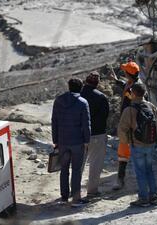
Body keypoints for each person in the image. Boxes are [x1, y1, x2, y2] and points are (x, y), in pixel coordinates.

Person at [117, 83, 157, 207]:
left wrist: (126, 142)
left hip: (137, 145)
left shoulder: (129, 110)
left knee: (140, 172)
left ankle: (143, 199)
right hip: (150, 144)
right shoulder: (151, 106)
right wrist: (155, 138)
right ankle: (154, 196)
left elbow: (122, 129)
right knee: (149, 170)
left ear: (133, 94)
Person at [51, 78, 91, 207]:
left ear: (69, 87)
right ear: (80, 88)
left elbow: (54, 121)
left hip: (62, 142)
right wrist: (87, 140)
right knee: (76, 170)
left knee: (64, 169)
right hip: (77, 142)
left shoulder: (58, 100)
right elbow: (86, 124)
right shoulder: (83, 102)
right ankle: (76, 198)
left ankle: (64, 197)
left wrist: (55, 140)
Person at [111, 60, 143, 190]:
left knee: (125, 152)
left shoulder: (133, 89)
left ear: (129, 74)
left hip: (130, 123)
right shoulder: (133, 85)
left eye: (125, 71)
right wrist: (117, 80)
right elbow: (126, 86)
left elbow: (129, 94)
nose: (123, 72)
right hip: (129, 122)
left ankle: (121, 180)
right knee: (125, 151)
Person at [81, 71, 110, 199]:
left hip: (80, 135)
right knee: (95, 164)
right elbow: (105, 116)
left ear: (86, 81)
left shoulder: (78, 96)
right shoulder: (101, 97)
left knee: (78, 165)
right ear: (97, 84)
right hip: (97, 134)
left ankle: (74, 190)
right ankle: (92, 191)